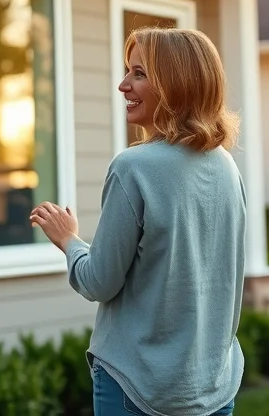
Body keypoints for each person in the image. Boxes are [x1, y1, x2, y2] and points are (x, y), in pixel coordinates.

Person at [31, 27, 246, 416]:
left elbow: (98, 281)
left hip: (138, 386)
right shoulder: (226, 167)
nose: (122, 85)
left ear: (175, 83)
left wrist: (69, 240)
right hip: (214, 387)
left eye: (139, 74)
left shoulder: (134, 167)